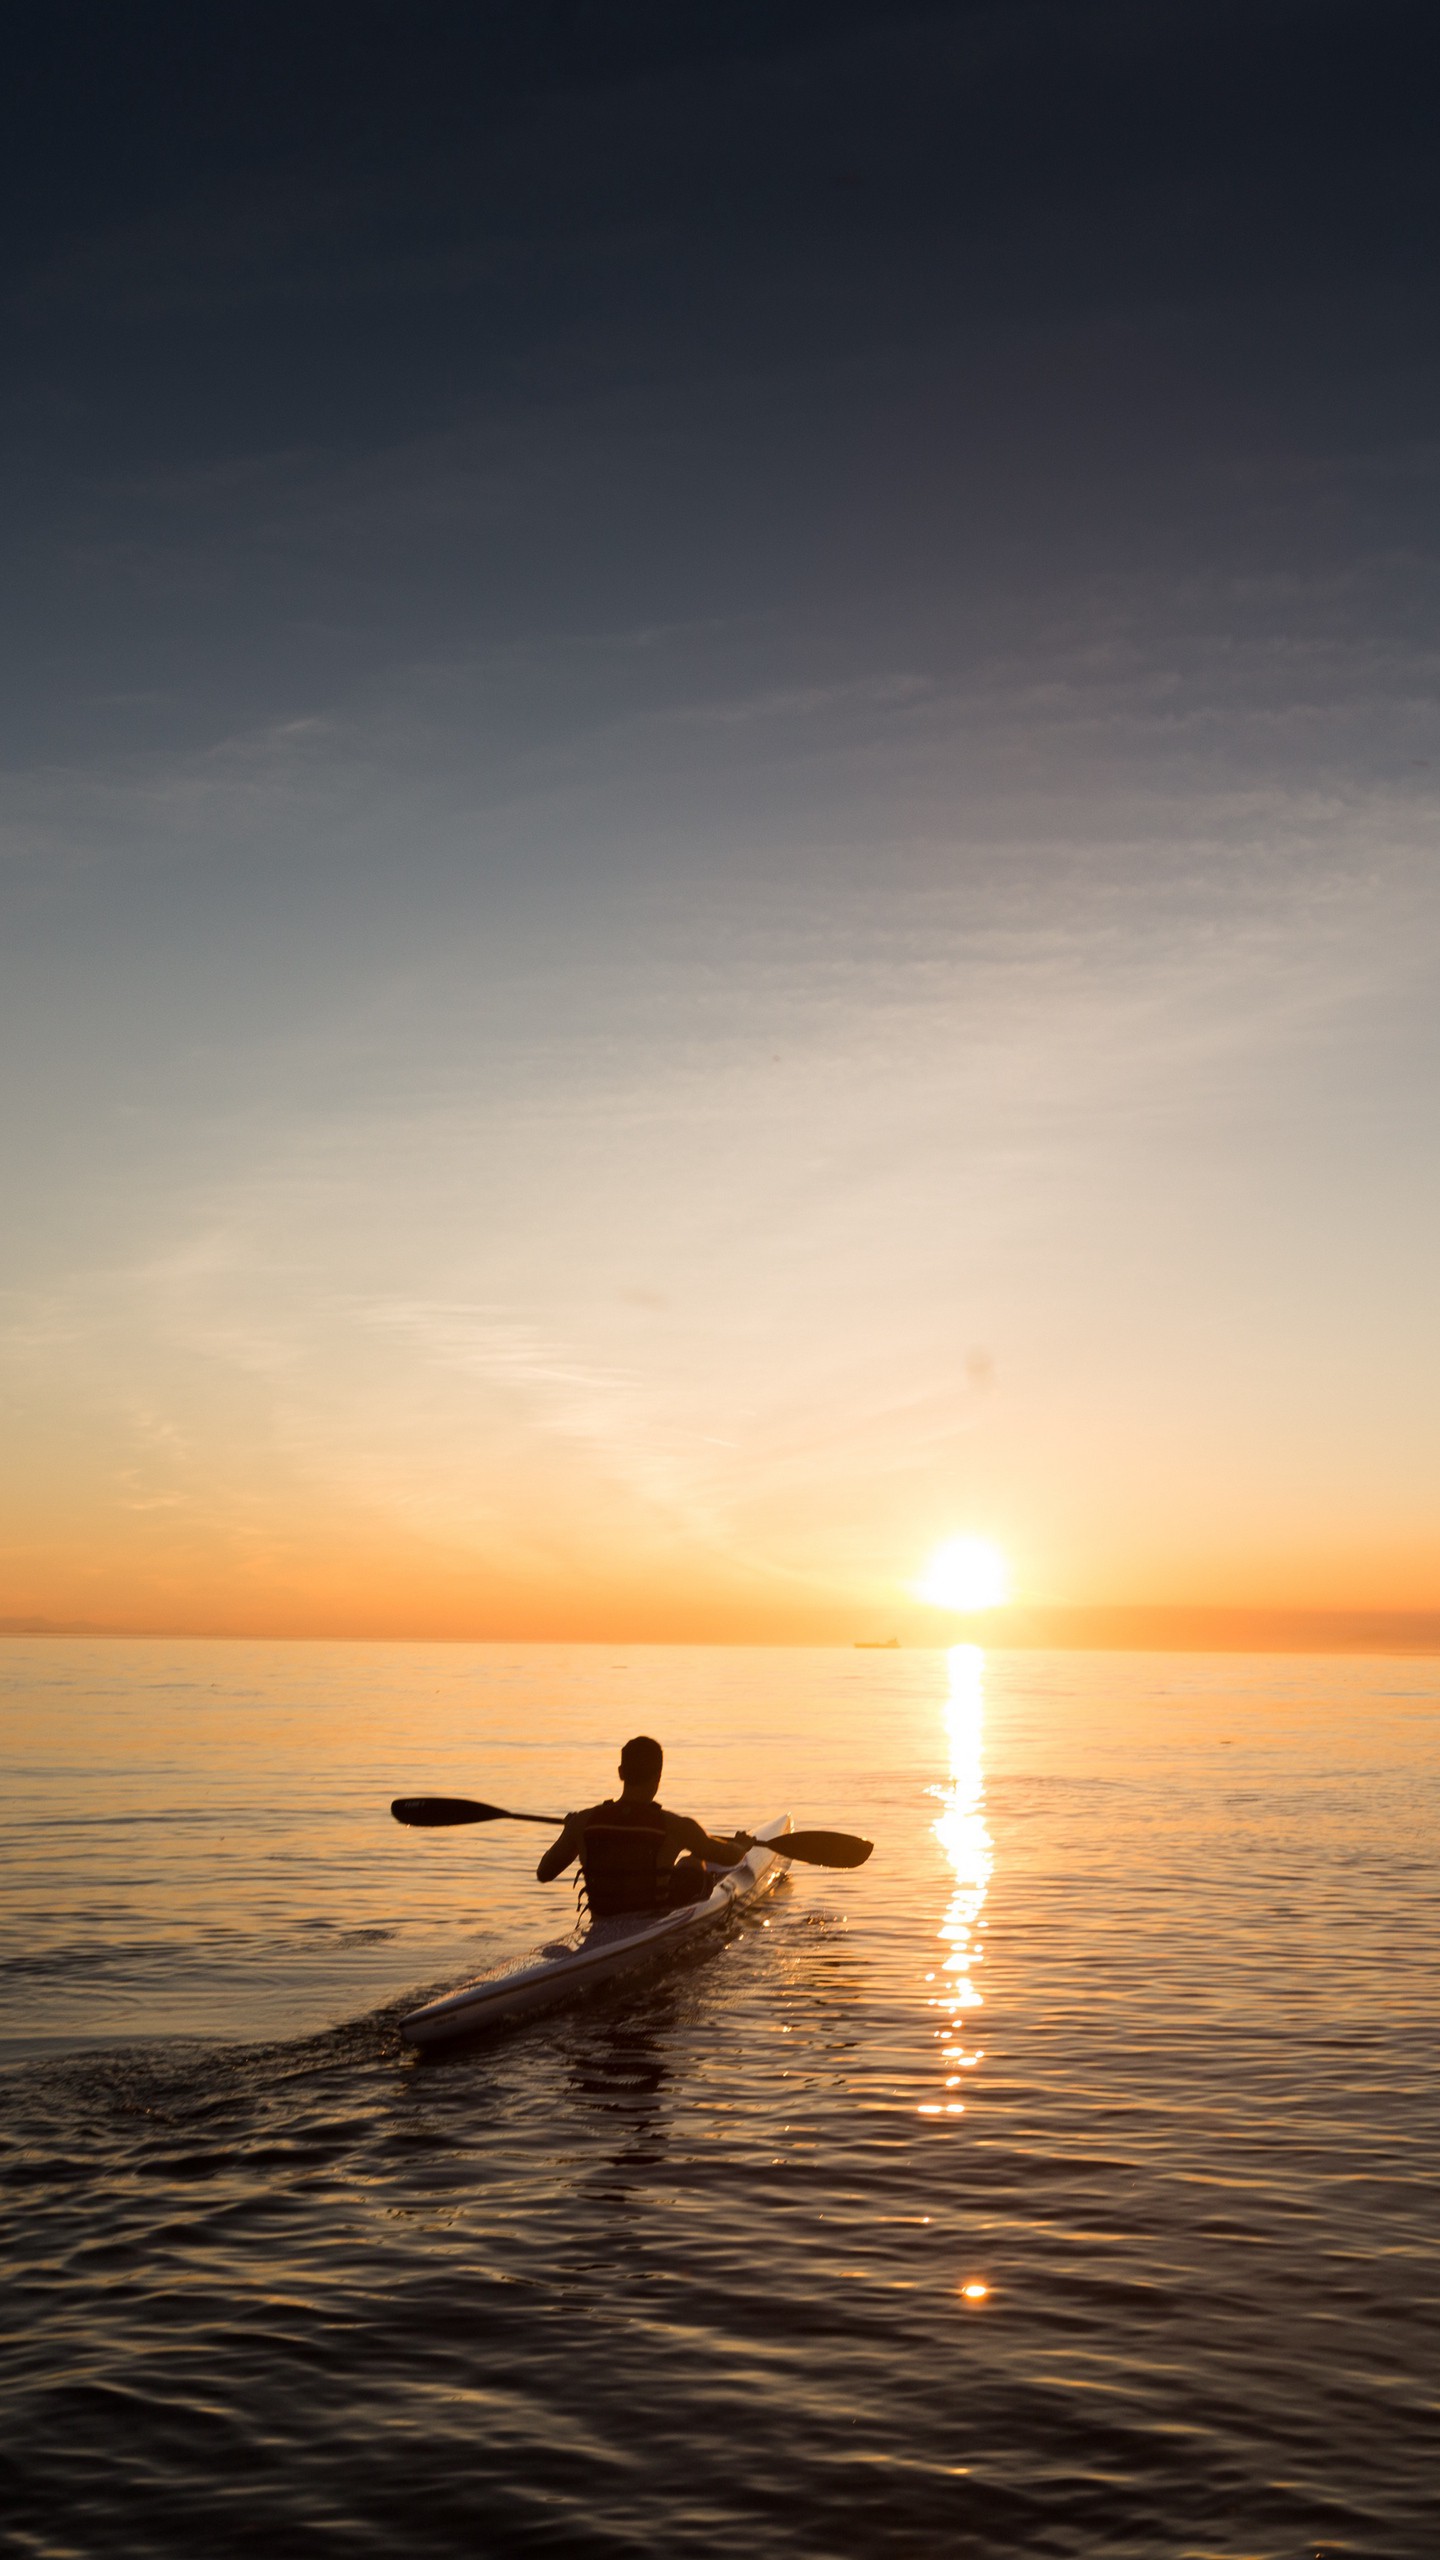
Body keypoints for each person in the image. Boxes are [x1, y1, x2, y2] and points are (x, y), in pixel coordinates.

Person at [536, 1735, 752, 1921]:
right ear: (659, 1776)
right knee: (694, 1862)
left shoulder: (583, 1821)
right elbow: (729, 1857)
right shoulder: (676, 1826)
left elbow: (544, 1873)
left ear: (621, 1773)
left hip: (602, 1919)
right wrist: (741, 1846)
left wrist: (569, 1831)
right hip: (651, 1919)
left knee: (688, 1862)